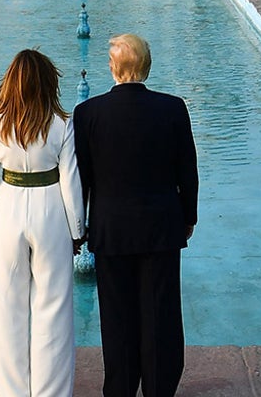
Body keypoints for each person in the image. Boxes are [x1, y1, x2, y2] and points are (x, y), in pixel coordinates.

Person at [73, 33, 198, 397]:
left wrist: (78, 229)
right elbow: (187, 172)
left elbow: (82, 178)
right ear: (147, 65)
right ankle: (160, 388)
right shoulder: (173, 108)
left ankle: (121, 388)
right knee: (160, 314)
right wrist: (188, 218)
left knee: (117, 317)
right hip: (161, 226)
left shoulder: (88, 113)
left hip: (111, 229)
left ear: (112, 68)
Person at [0, 49, 85, 397]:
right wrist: (77, 231)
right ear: (47, 83)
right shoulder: (61, 123)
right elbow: (71, 182)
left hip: (7, 211)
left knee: (7, 309)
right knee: (53, 309)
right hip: (51, 211)